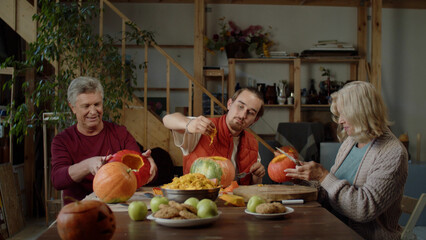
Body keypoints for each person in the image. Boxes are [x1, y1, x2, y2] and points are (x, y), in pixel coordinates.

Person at [285, 81, 408, 240]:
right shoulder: (351, 141)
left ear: (362, 112)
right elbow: (329, 192)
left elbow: (363, 209)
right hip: (332, 229)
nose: (340, 120)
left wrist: (323, 176)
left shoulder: (393, 153)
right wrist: (304, 178)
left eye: (344, 114)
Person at [51, 76, 158, 205]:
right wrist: (88, 165)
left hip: (117, 207)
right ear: (73, 108)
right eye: (86, 106)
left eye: (97, 104)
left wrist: (147, 164)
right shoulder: (62, 140)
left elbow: (139, 172)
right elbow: (57, 180)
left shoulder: (120, 133)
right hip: (79, 210)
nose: (93, 111)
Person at [163, 88, 266, 184]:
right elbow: (167, 119)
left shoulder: (252, 143)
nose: (243, 115)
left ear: (255, 120)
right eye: (240, 106)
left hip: (236, 202)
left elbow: (254, 187)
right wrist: (189, 124)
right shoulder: (201, 127)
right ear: (229, 104)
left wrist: (257, 177)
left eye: (251, 113)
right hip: (197, 200)